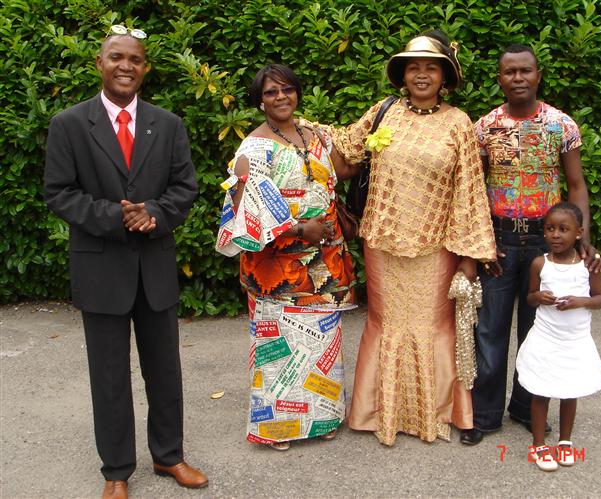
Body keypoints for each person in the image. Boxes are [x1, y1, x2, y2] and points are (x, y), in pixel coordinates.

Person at [43, 26, 207, 498]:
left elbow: (184, 187)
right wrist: (116, 216)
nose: (125, 66)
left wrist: (152, 214)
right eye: (116, 57)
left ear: (145, 68)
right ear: (100, 63)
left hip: (154, 266)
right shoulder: (70, 124)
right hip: (101, 269)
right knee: (109, 376)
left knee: (165, 370)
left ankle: (169, 457)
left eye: (135, 59)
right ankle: (116, 471)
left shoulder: (168, 123)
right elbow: (59, 193)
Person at [332, 30, 496, 446]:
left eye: (431, 67)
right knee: (385, 324)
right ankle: (377, 414)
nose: (422, 75)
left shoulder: (459, 124)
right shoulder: (382, 113)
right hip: (383, 242)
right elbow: (343, 148)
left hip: (436, 247)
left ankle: (441, 413)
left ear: (445, 76)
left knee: (434, 327)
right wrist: (288, 130)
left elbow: (469, 192)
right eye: (414, 67)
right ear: (402, 75)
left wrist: (468, 256)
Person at [461, 44, 601, 446]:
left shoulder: (561, 125)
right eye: (510, 72)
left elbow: (576, 185)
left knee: (536, 332)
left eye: (525, 71)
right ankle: (485, 416)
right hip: (501, 241)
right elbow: (473, 192)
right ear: (500, 78)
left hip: (549, 247)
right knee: (488, 331)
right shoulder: (484, 127)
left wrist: (582, 243)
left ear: (538, 75)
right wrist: (481, 244)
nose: (518, 78)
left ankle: (526, 409)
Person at [216, 64, 357, 451]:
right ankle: (277, 427)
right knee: (279, 345)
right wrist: (298, 228)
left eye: (287, 90)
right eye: (270, 93)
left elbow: (343, 171)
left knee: (322, 344)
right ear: (259, 101)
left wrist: (379, 142)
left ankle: (322, 418)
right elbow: (245, 213)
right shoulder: (254, 148)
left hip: (324, 263)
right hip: (277, 267)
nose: (281, 98)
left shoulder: (316, 135)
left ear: (297, 92)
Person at [516, 202, 601, 471]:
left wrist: (581, 301)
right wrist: (539, 297)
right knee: (541, 391)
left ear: (578, 233)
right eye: (550, 229)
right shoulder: (539, 264)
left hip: (575, 340)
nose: (555, 235)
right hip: (546, 339)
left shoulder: (588, 266)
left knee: (570, 391)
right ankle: (539, 445)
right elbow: (529, 298)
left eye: (563, 229)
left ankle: (565, 442)